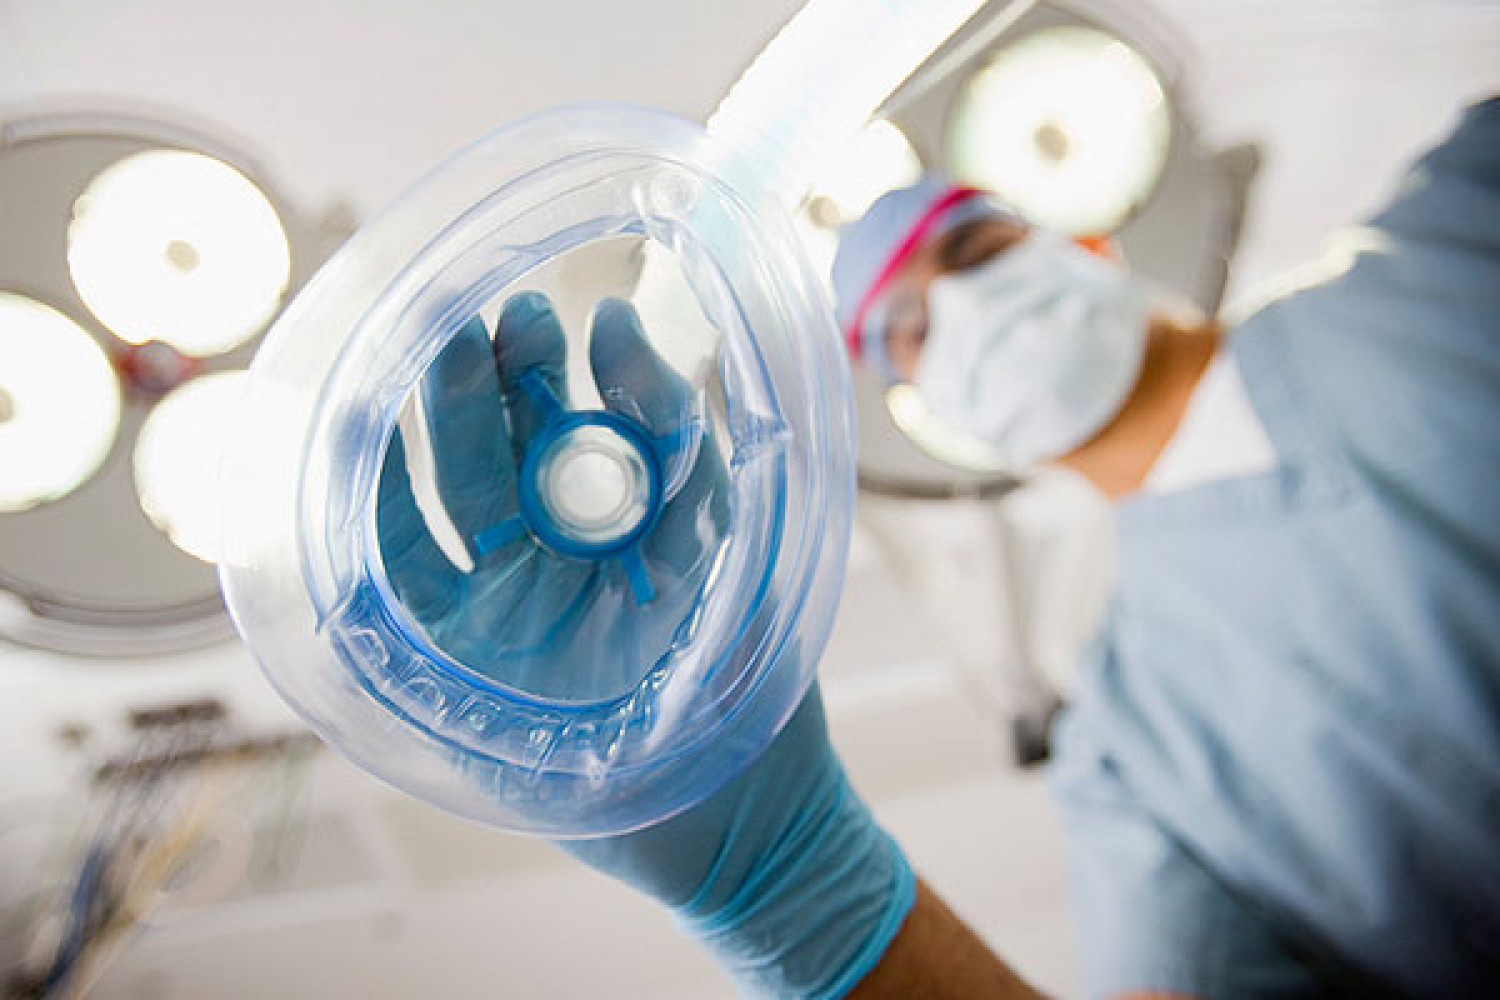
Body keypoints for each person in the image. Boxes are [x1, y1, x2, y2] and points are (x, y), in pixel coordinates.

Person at [380, 98, 1499, 997]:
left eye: (970, 251)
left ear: (1088, 244)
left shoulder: (1454, 235)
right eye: (906, 334)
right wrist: (793, 888)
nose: (957, 313)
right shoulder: (1130, 760)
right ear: (940, 416)